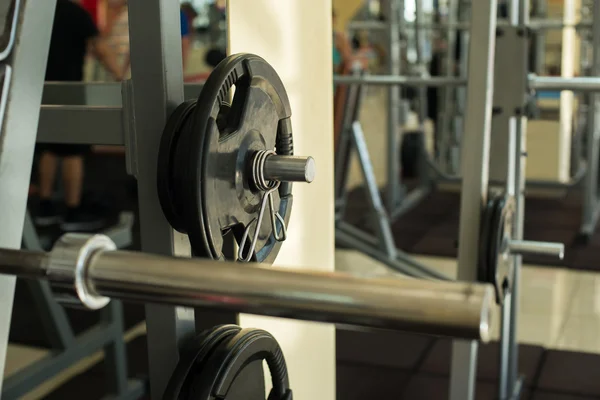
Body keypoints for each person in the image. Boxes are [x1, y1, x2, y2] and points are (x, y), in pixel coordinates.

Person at [35, 0, 124, 231]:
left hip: (41, 90)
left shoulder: (40, 13)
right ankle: (72, 211)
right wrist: (122, 80)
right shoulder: (76, 13)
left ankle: (44, 207)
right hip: (69, 90)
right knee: (72, 152)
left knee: (49, 147)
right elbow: (101, 49)